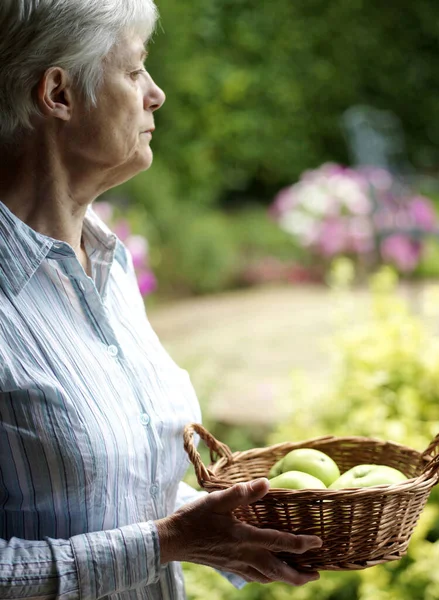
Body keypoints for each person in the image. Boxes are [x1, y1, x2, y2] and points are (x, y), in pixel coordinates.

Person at [0, 1, 322, 598]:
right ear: (59, 94)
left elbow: (108, 485)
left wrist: (240, 527)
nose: (157, 95)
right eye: (134, 70)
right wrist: (167, 542)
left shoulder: (109, 268)